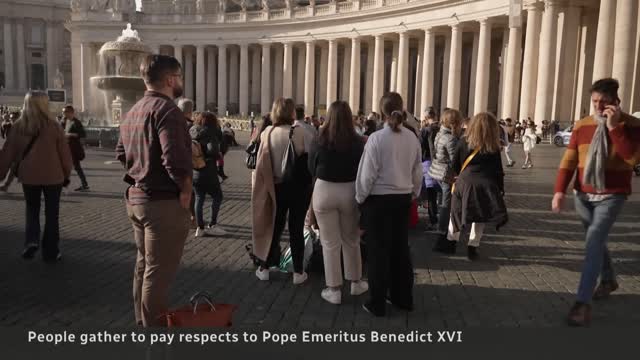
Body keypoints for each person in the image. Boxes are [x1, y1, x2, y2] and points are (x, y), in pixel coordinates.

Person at [552, 78, 640, 327]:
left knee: (593, 242)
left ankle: (582, 303)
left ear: (616, 101)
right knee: (596, 241)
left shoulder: (632, 125)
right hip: (583, 195)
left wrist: (614, 128)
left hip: (613, 194)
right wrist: (559, 191)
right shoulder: (582, 126)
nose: (599, 107)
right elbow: (569, 161)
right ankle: (609, 279)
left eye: (604, 102)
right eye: (595, 102)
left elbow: (633, 159)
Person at [115, 54, 192, 327]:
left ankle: (141, 320)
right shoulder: (168, 110)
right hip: (162, 204)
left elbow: (121, 153)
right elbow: (174, 159)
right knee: (157, 274)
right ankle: (154, 334)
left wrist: (140, 171)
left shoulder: (132, 111)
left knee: (143, 265)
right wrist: (185, 189)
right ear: (170, 79)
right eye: (180, 77)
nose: (181, 82)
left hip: (137, 199)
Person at [356, 92, 422, 317]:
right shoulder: (412, 137)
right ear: (402, 110)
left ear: (382, 112)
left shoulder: (376, 138)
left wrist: (360, 198)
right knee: (400, 251)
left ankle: (377, 302)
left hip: (379, 202)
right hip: (403, 200)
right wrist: (413, 193)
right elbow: (417, 172)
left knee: (378, 253)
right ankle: (403, 298)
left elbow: (367, 176)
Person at [0, 91, 72, 261]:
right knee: (52, 213)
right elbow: (65, 154)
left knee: (32, 210)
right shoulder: (54, 126)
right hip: (53, 176)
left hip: (29, 176)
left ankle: (31, 240)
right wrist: (66, 172)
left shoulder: (18, 126)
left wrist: (2, 173)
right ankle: (51, 250)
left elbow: (7, 153)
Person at [309, 100, 368, 305]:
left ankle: (333, 289)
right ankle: (356, 282)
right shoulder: (359, 141)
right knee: (351, 240)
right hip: (349, 190)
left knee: (329, 243)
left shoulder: (318, 139)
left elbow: (311, 168)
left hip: (324, 189)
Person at [252, 98, 310, 285]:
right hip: (298, 188)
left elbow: (260, 165)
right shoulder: (301, 132)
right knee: (296, 229)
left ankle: (265, 267)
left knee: (273, 228)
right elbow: (310, 160)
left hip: (275, 187)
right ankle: (298, 272)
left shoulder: (267, 133)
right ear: (292, 112)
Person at [437, 112, 508, 260]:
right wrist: (500, 189)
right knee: (479, 216)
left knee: (456, 212)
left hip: (464, 182)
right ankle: (473, 246)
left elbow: (455, 164)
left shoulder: (464, 142)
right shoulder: (493, 146)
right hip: (485, 184)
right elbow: (498, 170)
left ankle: (451, 241)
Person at [430, 109, 463, 250]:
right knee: (446, 204)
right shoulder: (450, 138)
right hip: (446, 174)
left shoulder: (440, 133)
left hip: (437, 171)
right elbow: (455, 159)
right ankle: (443, 230)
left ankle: (441, 226)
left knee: (442, 201)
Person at [190, 112, 226, 237]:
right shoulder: (211, 133)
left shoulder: (192, 131)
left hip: (195, 170)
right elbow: (213, 150)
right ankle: (212, 225)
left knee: (199, 198)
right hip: (208, 171)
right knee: (218, 196)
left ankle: (199, 228)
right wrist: (218, 155)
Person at [419, 107, 440, 230]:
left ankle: (433, 220)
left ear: (426, 117)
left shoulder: (424, 131)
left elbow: (420, 148)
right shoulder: (443, 129)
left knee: (431, 194)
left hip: (428, 163)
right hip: (442, 164)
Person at [62, 105, 89, 191]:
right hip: (66, 147)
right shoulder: (64, 121)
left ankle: (84, 184)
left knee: (76, 166)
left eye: (65, 112)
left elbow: (83, 134)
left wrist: (70, 134)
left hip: (73, 149)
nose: (64, 114)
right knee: (64, 165)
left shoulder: (76, 122)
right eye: (63, 112)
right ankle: (83, 184)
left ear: (71, 112)